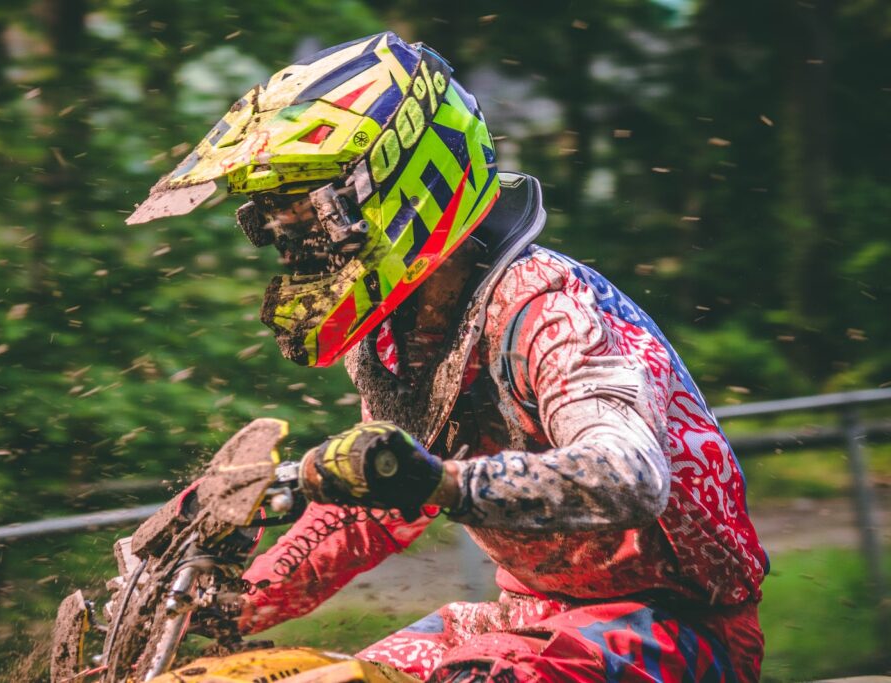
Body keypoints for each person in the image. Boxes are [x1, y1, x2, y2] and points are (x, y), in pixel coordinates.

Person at [127, 32, 768, 683]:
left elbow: (630, 476)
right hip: (526, 617)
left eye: (309, 223)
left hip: (675, 626)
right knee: (241, 677)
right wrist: (229, 603)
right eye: (280, 232)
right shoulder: (390, 339)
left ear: (396, 186)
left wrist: (441, 481)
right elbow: (380, 499)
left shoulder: (544, 304)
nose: (298, 253)